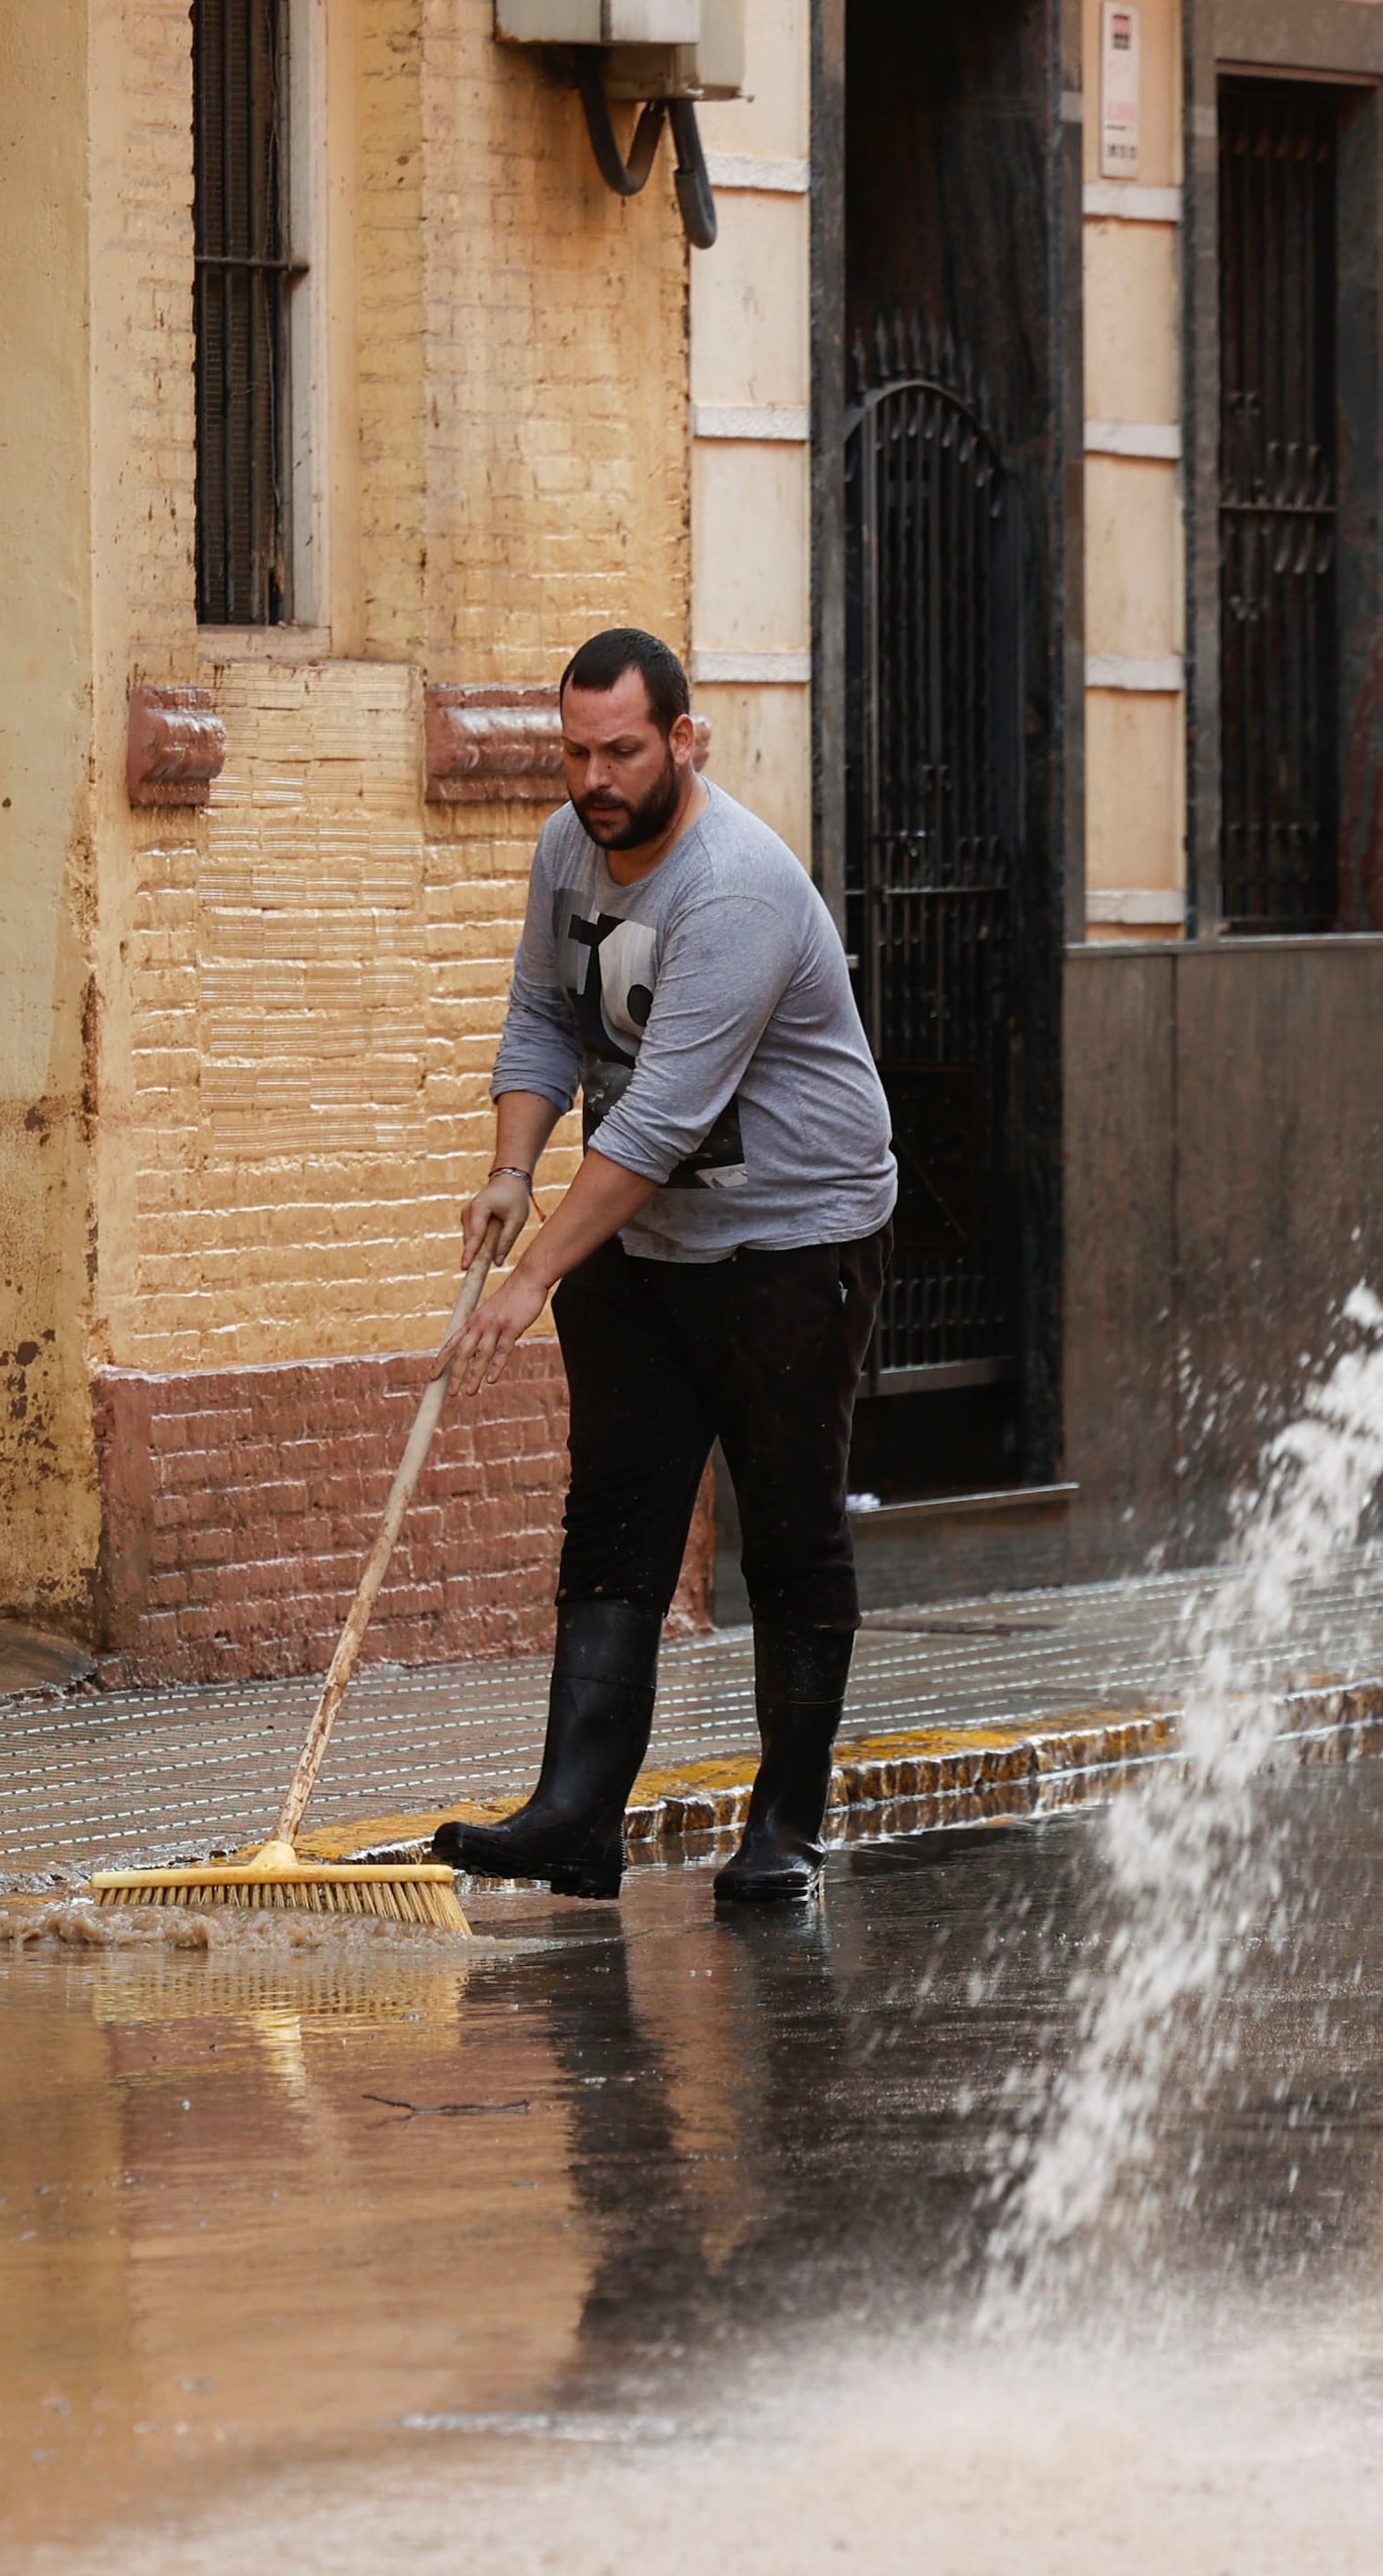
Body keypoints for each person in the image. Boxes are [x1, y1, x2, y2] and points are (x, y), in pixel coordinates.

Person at [435, 627, 905, 1909]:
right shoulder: (563, 849)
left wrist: (531, 1277)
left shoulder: (735, 886)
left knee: (792, 1527)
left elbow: (660, 1117)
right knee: (618, 1512)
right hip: (638, 1243)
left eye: (624, 749)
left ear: (683, 740)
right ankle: (576, 1817)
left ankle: (787, 1830)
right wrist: (510, 1167)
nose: (596, 776)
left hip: (790, 1242)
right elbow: (543, 1014)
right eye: (576, 750)